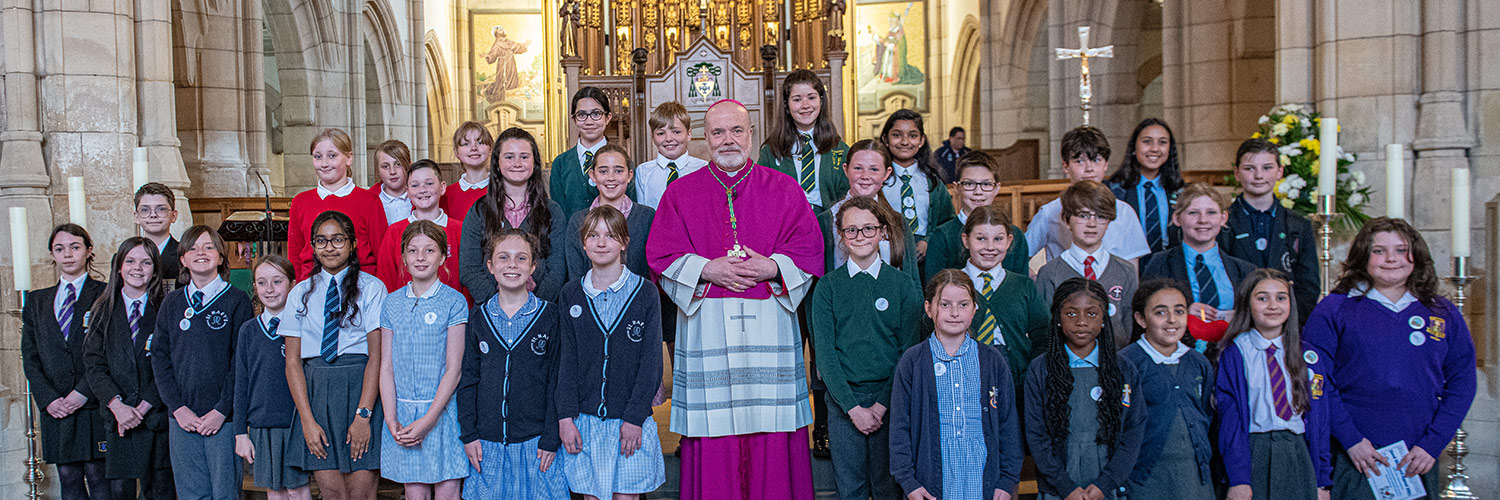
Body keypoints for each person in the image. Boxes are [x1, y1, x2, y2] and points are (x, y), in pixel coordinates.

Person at [646, 99, 824, 499]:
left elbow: (810, 249)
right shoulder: (681, 193)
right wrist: (708, 269)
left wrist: (773, 267)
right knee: (714, 433)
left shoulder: (783, 187)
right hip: (708, 325)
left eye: (736, 131)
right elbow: (661, 254)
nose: (728, 140)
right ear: (704, 139)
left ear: (751, 135)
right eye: (718, 133)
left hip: (770, 325)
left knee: (772, 428)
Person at [1302, 218, 1476, 500]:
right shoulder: (1334, 308)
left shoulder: (1441, 312)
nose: (1391, 259)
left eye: (1401, 249)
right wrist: (1351, 439)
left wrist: (1432, 444)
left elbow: (1463, 382)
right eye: (1379, 250)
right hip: (1355, 454)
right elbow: (1315, 380)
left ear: (1416, 256)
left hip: (1417, 456)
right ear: (1362, 257)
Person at [809, 197, 923, 500]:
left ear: (883, 232)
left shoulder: (902, 285)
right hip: (844, 402)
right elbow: (826, 356)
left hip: (891, 400)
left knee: (889, 486)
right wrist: (852, 408)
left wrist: (881, 405)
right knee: (851, 489)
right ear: (841, 236)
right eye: (851, 230)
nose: (860, 237)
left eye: (868, 229)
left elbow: (907, 351)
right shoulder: (828, 287)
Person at [556, 207, 667, 500]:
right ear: (583, 243)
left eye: (610, 235)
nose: (601, 242)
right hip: (584, 421)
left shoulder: (644, 293)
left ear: (624, 241)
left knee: (625, 496)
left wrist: (634, 418)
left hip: (628, 419)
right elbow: (565, 362)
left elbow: (651, 362)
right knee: (590, 496)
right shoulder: (570, 294)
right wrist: (565, 418)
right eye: (593, 235)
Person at [889, 269, 1022, 500]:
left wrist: (1007, 480)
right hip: (930, 478)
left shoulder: (992, 361)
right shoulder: (913, 361)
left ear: (974, 308)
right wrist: (908, 482)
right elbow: (900, 427)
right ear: (929, 308)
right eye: (945, 305)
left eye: (963, 305)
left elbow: (1008, 424)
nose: (954, 313)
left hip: (982, 477)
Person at [457, 230, 568, 500]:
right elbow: (468, 379)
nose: (512, 265)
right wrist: (469, 435)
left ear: (532, 267)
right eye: (503, 258)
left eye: (521, 259)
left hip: (537, 444)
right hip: (487, 445)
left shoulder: (550, 316)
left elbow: (558, 381)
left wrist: (551, 438)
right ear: (490, 266)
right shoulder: (478, 318)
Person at [283, 211, 387, 500]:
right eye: (321, 241)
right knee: (331, 492)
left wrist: (364, 416)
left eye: (337, 239)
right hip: (316, 393)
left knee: (361, 492)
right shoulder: (300, 292)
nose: (329, 247)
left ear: (352, 244)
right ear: (313, 247)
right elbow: (292, 362)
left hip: (360, 388)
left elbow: (377, 356)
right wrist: (307, 420)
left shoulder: (372, 288)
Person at [151, 225, 254, 500]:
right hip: (182, 419)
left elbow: (240, 363)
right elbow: (160, 359)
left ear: (221, 257)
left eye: (209, 247)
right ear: (182, 258)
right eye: (193, 248)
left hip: (223, 419)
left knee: (224, 494)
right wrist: (178, 408)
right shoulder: (172, 303)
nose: (201, 253)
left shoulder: (237, 300)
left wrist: (221, 410)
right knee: (190, 494)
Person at [1216, 269, 1334, 500]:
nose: (1273, 305)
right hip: (1254, 451)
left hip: (1297, 451)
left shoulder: (1308, 355)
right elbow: (1230, 420)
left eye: (1281, 297)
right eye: (1262, 298)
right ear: (1247, 303)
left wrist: (1321, 481)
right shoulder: (1236, 352)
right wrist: (1239, 479)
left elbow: (1321, 422)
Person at [1024, 278, 1146, 500]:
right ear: (1058, 318)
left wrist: (1105, 484)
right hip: (1058, 488)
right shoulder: (1040, 369)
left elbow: (1133, 430)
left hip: (1107, 487)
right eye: (1071, 313)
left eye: (1091, 314)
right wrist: (1065, 487)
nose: (1081, 322)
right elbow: (1036, 435)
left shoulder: (1123, 369)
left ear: (1103, 319)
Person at [378, 221, 470, 499]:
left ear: (443, 256)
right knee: (414, 492)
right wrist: (391, 417)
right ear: (403, 257)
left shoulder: (454, 301)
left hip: (441, 414)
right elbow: (386, 367)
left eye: (429, 250)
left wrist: (429, 420)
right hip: (403, 414)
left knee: (447, 490)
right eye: (413, 250)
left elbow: (453, 370)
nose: (420, 257)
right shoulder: (392, 303)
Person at [83, 237, 175, 500]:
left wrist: (144, 406)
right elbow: (93, 364)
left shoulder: (167, 309)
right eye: (131, 261)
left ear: (156, 270)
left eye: (146, 262)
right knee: (120, 492)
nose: (138, 268)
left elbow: (169, 365)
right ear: (119, 267)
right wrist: (118, 406)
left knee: (160, 490)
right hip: (118, 419)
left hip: (155, 418)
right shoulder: (102, 309)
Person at [23, 223, 110, 500]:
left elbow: (110, 350)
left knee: (99, 476)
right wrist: (48, 399)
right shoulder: (37, 301)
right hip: (56, 406)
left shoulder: (105, 294)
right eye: (60, 249)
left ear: (88, 250)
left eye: (75, 247)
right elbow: (31, 356)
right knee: (68, 476)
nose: (68, 254)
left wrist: (83, 392)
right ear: (52, 254)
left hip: (92, 402)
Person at [1117, 279, 1214, 498]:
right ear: (1141, 319)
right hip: (1144, 478)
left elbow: (1206, 414)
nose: (1172, 320)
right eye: (1160, 313)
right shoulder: (1126, 363)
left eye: (1179, 312)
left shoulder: (1198, 362)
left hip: (1194, 477)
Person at [233, 255, 312, 500]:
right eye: (262, 282)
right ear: (254, 287)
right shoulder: (248, 330)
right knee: (273, 490)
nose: (269, 289)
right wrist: (240, 433)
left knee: (296, 489)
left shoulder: (303, 327)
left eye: (277, 281)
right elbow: (241, 384)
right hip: (261, 426)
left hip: (295, 424)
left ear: (292, 284)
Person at [459, 127, 569, 303]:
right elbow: (469, 269)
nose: (517, 163)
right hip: (490, 311)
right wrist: (497, 307)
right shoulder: (480, 210)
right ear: (497, 162)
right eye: (509, 157)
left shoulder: (552, 212)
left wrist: (535, 309)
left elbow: (557, 271)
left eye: (524, 157)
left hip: (541, 311)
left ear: (534, 162)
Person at [1219, 138, 1319, 322]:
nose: (1258, 176)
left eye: (1267, 168)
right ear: (1237, 173)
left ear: (1279, 171)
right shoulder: (1222, 223)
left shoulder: (1298, 225)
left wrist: (1288, 322)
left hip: (1286, 323)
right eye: (1249, 168)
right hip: (1236, 321)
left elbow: (1309, 286)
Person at [1024, 126, 1151, 264]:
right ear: (1065, 166)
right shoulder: (1049, 212)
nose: (1089, 169)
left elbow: (1132, 268)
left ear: (1106, 164)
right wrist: (1037, 279)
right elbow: (1020, 255)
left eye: (1096, 160)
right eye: (1079, 161)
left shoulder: (1125, 212)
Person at [1035, 181, 1139, 348]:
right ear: (1067, 220)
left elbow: (1130, 325)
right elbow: (1045, 329)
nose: (1092, 224)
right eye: (1083, 215)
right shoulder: (1050, 273)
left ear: (1109, 221)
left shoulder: (1125, 270)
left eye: (1100, 216)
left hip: (1116, 361)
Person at [1141, 183, 1258, 326]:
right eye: (1193, 213)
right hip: (1178, 344)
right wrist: (1181, 311)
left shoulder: (1245, 270)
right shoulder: (1160, 263)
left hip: (1231, 344)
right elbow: (1143, 310)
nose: (1203, 220)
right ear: (1177, 218)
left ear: (1223, 218)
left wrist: (1241, 317)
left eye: (1211, 213)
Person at [960, 206, 1048, 386]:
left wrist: (1030, 373)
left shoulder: (1023, 286)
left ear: (1009, 241)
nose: (990, 247)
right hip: (963, 375)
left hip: (1015, 377)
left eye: (998, 239)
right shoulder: (951, 285)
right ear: (966, 240)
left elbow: (1043, 335)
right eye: (981, 239)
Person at [286, 128, 387, 279]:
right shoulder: (301, 202)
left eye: (332, 156)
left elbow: (382, 253)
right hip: (313, 283)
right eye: (318, 157)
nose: (324, 163)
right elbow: (295, 254)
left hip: (360, 283)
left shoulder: (369, 200)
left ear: (348, 158)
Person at [816, 139, 919, 282]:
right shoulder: (826, 221)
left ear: (886, 173)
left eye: (874, 169)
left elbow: (913, 281)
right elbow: (816, 282)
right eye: (858, 168)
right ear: (846, 170)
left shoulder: (898, 222)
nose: (865, 176)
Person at [925, 150, 1028, 282]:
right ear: (957, 188)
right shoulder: (941, 236)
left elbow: (1023, 289)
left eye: (986, 184)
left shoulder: (1015, 236)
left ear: (997, 188)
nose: (978, 192)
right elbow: (934, 288)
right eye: (969, 184)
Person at [757, 69, 850, 214]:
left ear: (821, 100)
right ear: (787, 105)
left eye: (811, 98)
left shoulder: (840, 149)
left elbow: (847, 196)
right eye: (797, 99)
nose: (805, 105)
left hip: (829, 226)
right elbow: (762, 197)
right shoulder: (771, 151)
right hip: (787, 226)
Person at [375, 160, 467, 300]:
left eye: (429, 184)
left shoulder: (460, 230)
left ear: (442, 187)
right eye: (415, 185)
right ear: (408, 191)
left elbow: (467, 279)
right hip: (405, 314)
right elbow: (386, 279)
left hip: (452, 315)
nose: (422, 190)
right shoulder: (394, 232)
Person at [564, 144, 654, 281]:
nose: (611, 177)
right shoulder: (578, 220)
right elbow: (575, 275)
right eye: (603, 171)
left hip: (638, 298)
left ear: (630, 175)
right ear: (593, 176)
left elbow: (650, 271)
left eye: (618, 171)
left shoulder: (647, 217)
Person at [880, 109, 954, 263]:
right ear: (885, 139)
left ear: (921, 140)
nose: (905, 142)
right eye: (896, 135)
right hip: (888, 254)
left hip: (926, 256)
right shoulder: (878, 180)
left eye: (913, 136)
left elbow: (948, 222)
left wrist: (928, 241)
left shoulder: (933, 182)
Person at [552, 86, 636, 217]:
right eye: (582, 115)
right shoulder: (561, 163)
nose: (589, 121)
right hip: (573, 235)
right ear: (574, 119)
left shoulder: (623, 162)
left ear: (607, 118)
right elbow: (558, 213)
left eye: (596, 114)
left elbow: (631, 209)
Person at [1106, 118, 1184, 254]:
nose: (1154, 148)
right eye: (1147, 141)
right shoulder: (1114, 190)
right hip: (1126, 264)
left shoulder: (1182, 191)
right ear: (1134, 148)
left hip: (1170, 268)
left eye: (1163, 142)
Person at [635, 101, 707, 209]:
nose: (668, 139)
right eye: (660, 133)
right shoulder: (643, 172)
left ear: (688, 134)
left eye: (676, 132)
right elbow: (642, 214)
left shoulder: (704, 169)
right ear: (652, 137)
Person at [441, 122, 494, 224]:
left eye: (480, 142)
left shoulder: (502, 190)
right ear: (456, 152)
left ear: (490, 149)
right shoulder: (446, 195)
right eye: (466, 144)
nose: (474, 148)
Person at [133, 183, 181, 284]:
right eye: (145, 210)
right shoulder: (124, 257)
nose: (153, 215)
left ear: (174, 215)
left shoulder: (184, 255)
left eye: (161, 209)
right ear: (136, 216)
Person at [370, 139, 413, 225]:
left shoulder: (421, 198)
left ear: (409, 166)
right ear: (377, 170)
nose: (392, 171)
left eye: (398, 164)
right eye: (385, 166)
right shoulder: (369, 201)